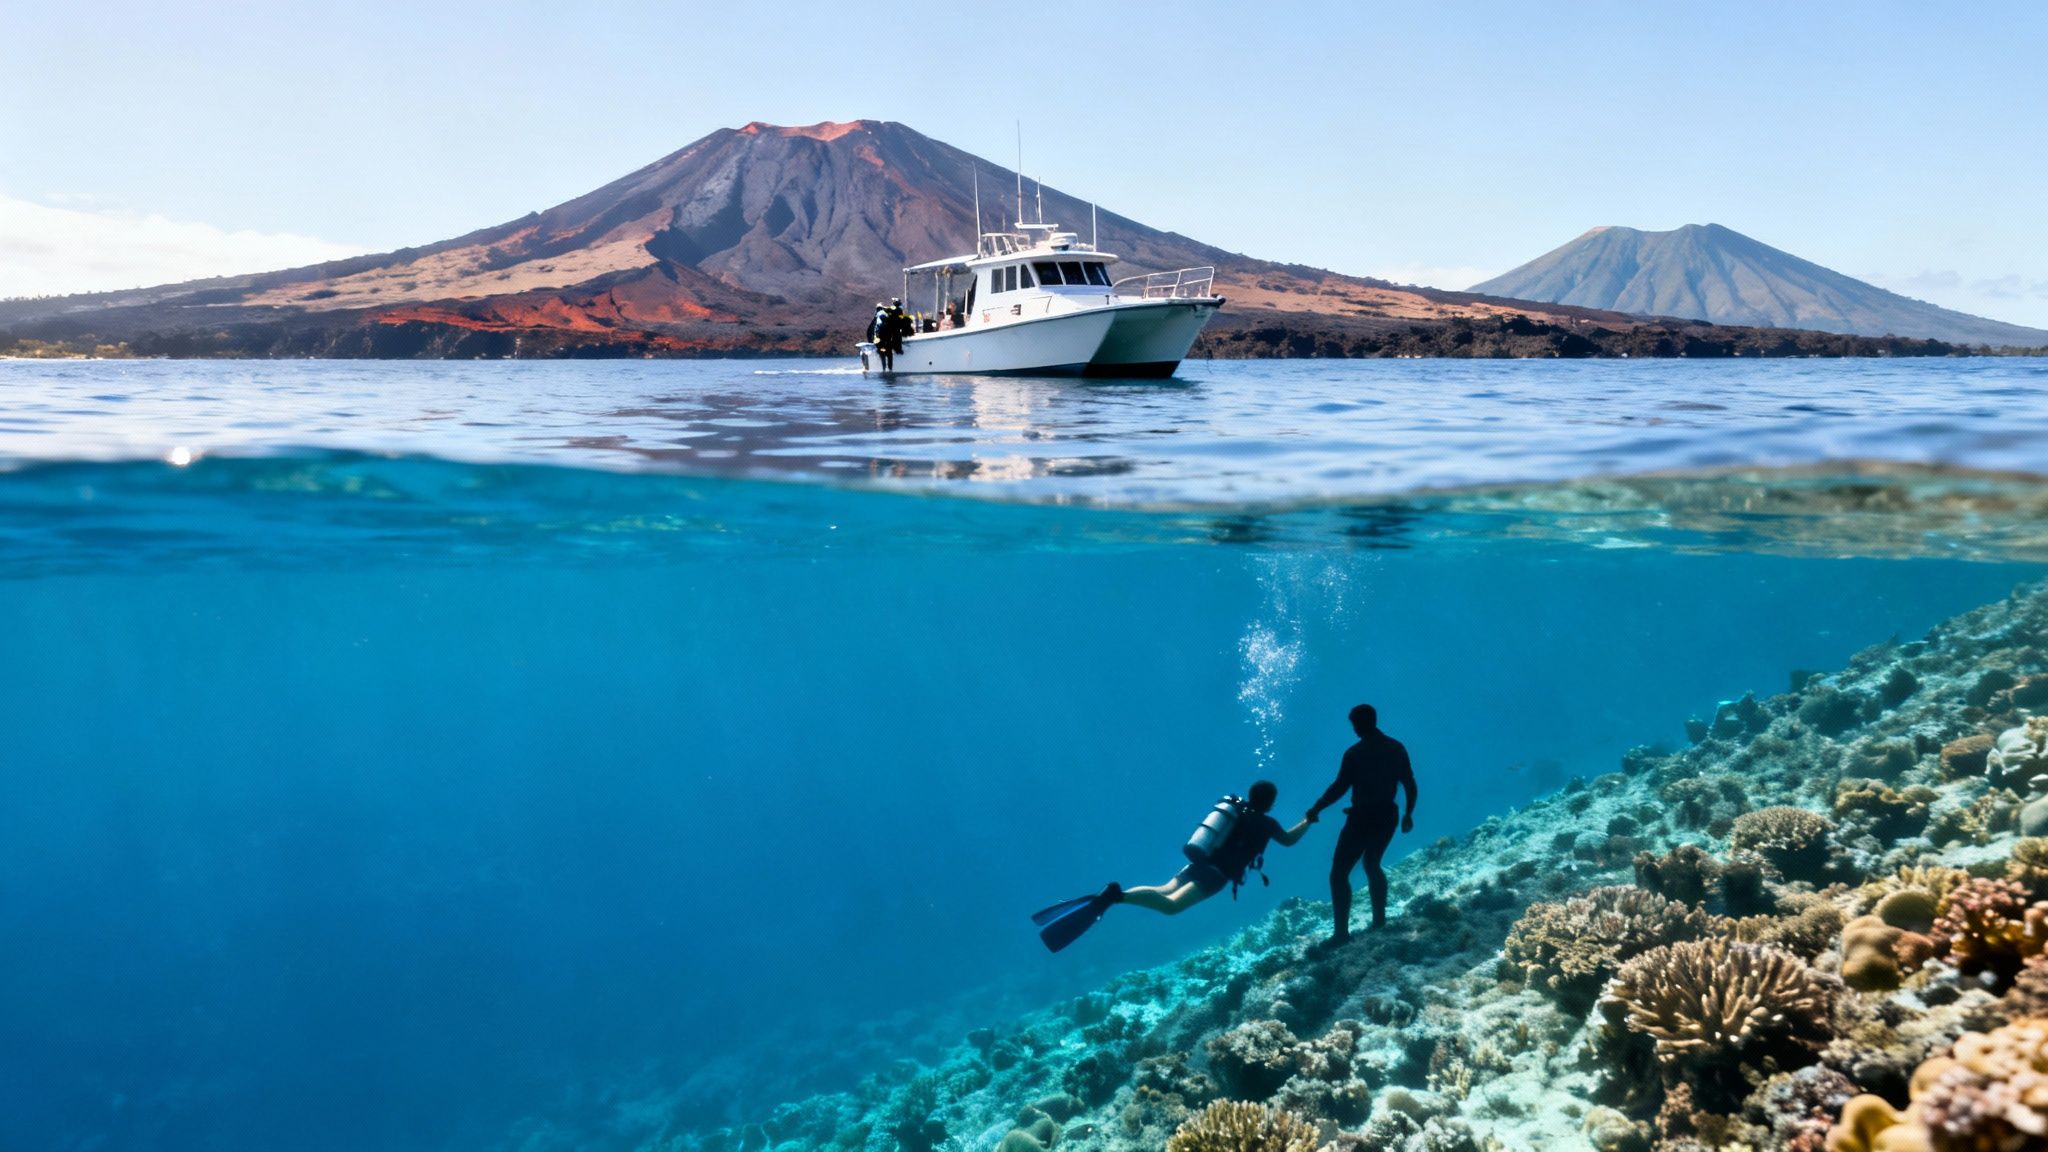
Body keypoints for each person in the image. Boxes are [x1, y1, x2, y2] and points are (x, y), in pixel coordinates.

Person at [1031, 780, 1312, 952]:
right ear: (1271, 803)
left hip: (1198, 862)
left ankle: (1118, 895)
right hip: (1216, 876)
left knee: (1163, 888)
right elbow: (1288, 841)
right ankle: (1118, 897)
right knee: (1172, 906)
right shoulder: (1267, 823)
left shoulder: (1236, 812)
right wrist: (1308, 820)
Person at [1307, 704, 1417, 948]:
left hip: (1361, 819)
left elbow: (1339, 787)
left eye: (1354, 724)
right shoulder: (1396, 747)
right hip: (1388, 815)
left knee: (1338, 874)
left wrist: (1317, 808)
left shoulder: (1355, 753)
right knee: (1372, 863)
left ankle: (1341, 934)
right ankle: (1379, 921)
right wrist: (1408, 813)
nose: (1354, 729)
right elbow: (1409, 783)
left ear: (1358, 723)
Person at [865, 301, 893, 371]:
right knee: (889, 355)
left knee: (882, 355)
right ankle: (889, 369)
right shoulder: (886, 319)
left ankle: (884, 369)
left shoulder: (877, 319)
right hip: (886, 342)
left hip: (880, 342)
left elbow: (871, 332)